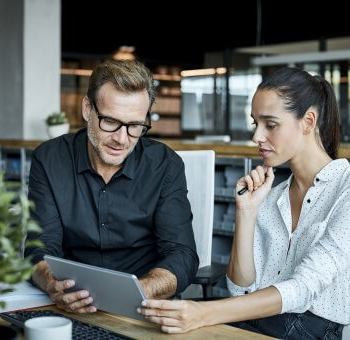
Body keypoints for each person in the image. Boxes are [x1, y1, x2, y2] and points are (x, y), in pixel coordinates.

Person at [138, 67, 350, 339]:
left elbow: (303, 288)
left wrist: (203, 313)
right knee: (157, 329)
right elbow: (240, 289)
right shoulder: (272, 196)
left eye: (270, 125)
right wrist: (246, 212)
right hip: (262, 321)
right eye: (255, 124)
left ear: (308, 121)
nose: (257, 137)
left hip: (312, 330)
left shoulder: (345, 189)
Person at [25, 60, 199, 314]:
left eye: (135, 126)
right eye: (109, 121)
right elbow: (39, 248)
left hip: (143, 307)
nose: (121, 139)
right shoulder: (49, 159)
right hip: (70, 304)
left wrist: (138, 291)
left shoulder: (165, 165)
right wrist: (53, 284)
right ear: (87, 108)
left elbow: (181, 255)